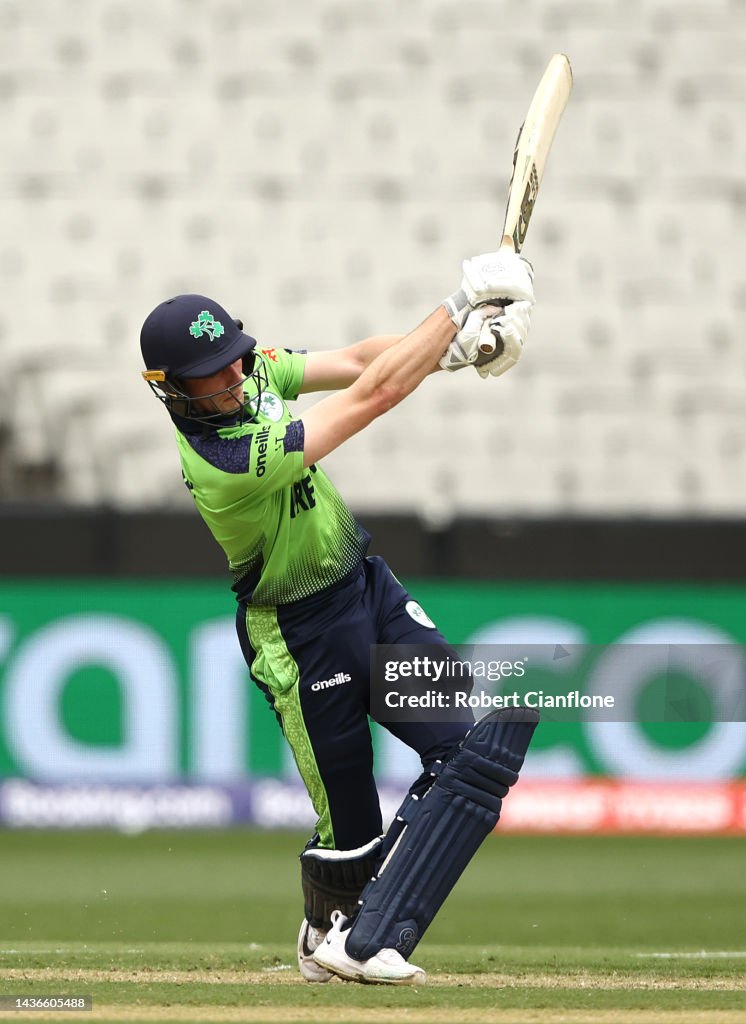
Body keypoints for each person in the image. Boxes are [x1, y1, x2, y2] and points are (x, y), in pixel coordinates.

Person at [140, 251, 540, 985]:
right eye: (214, 374)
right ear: (171, 391)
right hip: (298, 636)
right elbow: (369, 400)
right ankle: (333, 923)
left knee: (465, 757)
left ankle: (373, 935)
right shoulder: (222, 460)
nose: (234, 378)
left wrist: (455, 351)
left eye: (235, 359)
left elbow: (360, 360)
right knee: (350, 825)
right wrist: (457, 304)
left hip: (367, 589)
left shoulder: (246, 368)